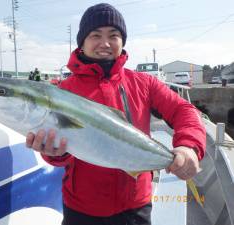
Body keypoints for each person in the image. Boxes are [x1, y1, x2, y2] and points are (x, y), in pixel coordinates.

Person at [26, 3, 206, 225]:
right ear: (82, 42)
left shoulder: (144, 83)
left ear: (123, 41)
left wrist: (189, 145)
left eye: (114, 35)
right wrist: (54, 152)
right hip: (82, 208)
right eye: (95, 35)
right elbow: (59, 153)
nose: (105, 43)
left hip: (136, 206)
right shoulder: (63, 91)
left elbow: (184, 110)